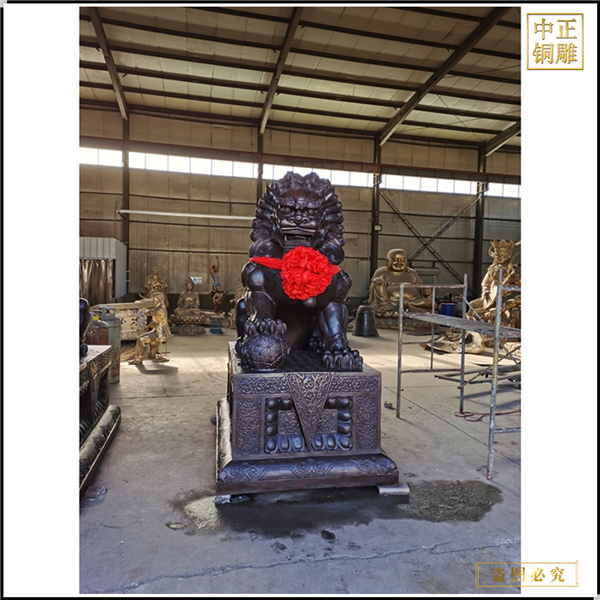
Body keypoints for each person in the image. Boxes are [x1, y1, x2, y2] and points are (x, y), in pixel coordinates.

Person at [367, 248, 433, 316]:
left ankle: (407, 305)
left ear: (406, 261)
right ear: (387, 261)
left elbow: (420, 289)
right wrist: (378, 282)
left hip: (413, 301)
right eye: (395, 260)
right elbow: (374, 287)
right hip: (391, 302)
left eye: (402, 260)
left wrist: (427, 293)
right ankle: (397, 307)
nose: (399, 263)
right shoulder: (381, 272)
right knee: (377, 286)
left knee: (431, 303)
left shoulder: (412, 273)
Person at [129, 292, 172, 364]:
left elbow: (147, 313)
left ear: (158, 299)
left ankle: (139, 358)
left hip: (161, 332)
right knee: (151, 337)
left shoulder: (161, 309)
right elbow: (155, 322)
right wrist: (148, 326)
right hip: (157, 330)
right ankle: (152, 355)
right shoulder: (159, 308)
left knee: (140, 339)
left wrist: (144, 305)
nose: (153, 301)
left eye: (154, 299)